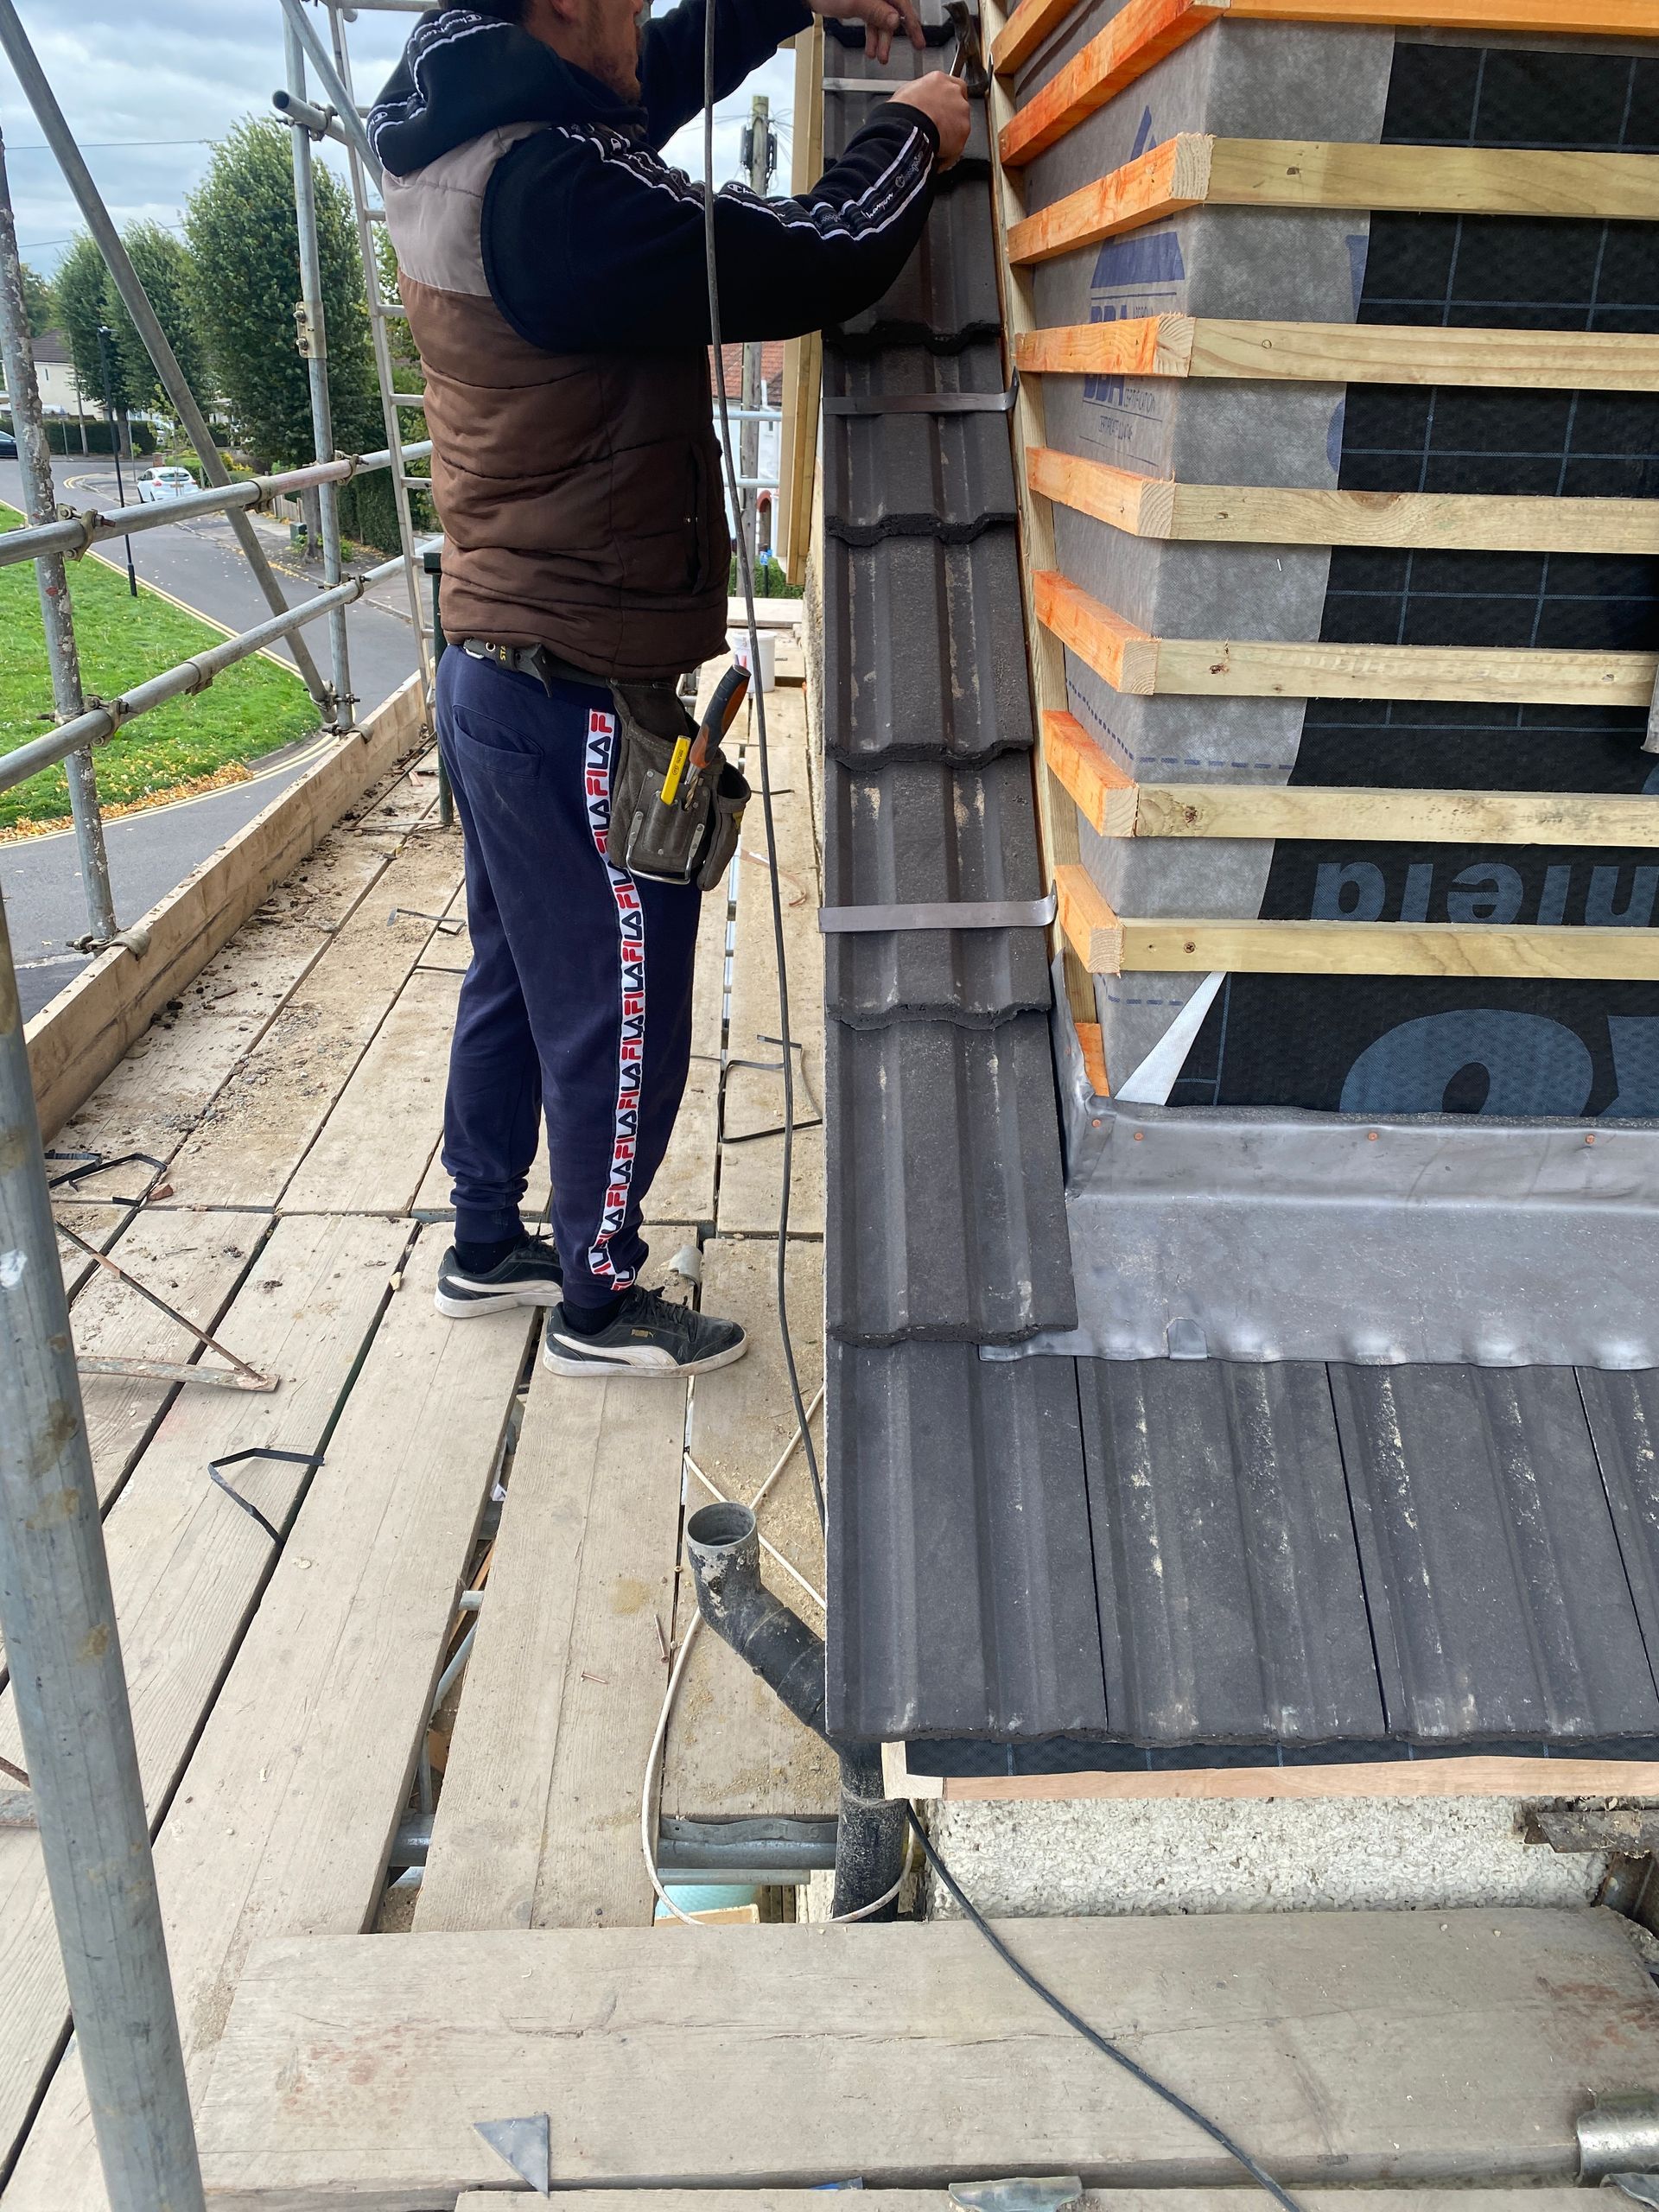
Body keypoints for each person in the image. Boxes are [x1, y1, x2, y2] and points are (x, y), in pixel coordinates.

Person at [370, 0, 969, 1377]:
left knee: (518, 972)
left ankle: (486, 1241)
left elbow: (650, 68)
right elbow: (816, 256)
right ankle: (599, 1301)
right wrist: (911, 135)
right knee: (623, 1002)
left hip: (499, 670)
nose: (641, 26)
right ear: (559, 11)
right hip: (580, 692)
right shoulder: (553, 198)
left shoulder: (471, 118)